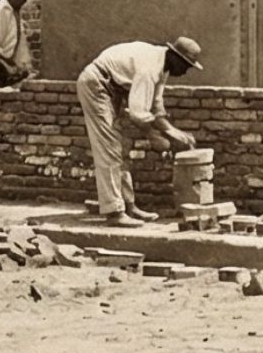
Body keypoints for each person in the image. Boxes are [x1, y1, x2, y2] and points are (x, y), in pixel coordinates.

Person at [76, 37, 202, 227]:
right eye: (186, 65)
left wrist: (175, 133)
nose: (186, 71)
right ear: (175, 57)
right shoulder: (150, 68)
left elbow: (155, 107)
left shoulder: (162, 66)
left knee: (122, 147)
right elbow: (137, 113)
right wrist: (154, 136)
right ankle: (114, 212)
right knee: (108, 147)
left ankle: (129, 206)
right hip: (97, 83)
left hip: (114, 88)